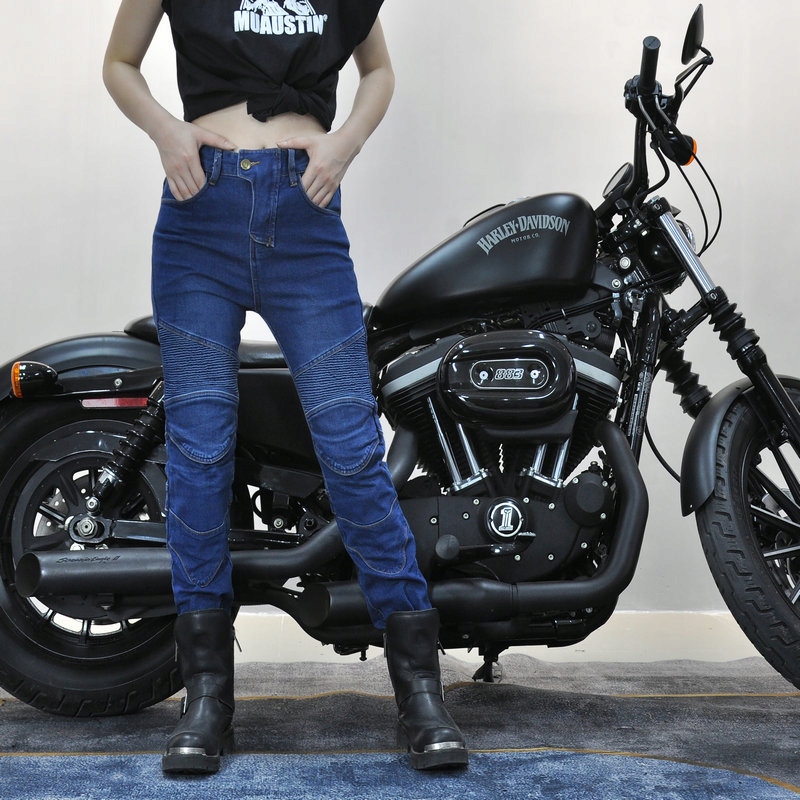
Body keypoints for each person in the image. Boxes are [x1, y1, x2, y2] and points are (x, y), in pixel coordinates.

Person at [103, 0, 468, 776]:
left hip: (305, 218)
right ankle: (207, 699)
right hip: (199, 220)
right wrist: (168, 132)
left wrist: (344, 146)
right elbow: (119, 63)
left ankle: (420, 693)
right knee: (202, 456)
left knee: (352, 454)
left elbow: (378, 70)